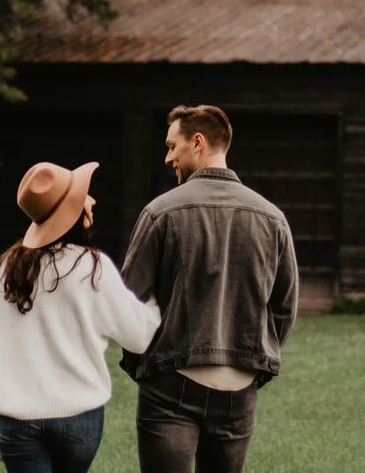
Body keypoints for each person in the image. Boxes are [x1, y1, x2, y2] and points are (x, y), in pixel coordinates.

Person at [119, 104, 299, 473]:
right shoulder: (272, 217)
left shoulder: (159, 212)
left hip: (170, 379)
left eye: (172, 146)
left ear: (197, 142)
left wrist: (144, 362)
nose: (168, 156)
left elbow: (128, 302)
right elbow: (283, 307)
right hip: (239, 384)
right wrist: (249, 358)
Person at [0, 160, 161, 473]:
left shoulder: (6, 269)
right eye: (84, 196)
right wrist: (159, 296)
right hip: (78, 418)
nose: (91, 200)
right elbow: (139, 336)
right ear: (74, 213)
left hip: (15, 419)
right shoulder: (93, 268)